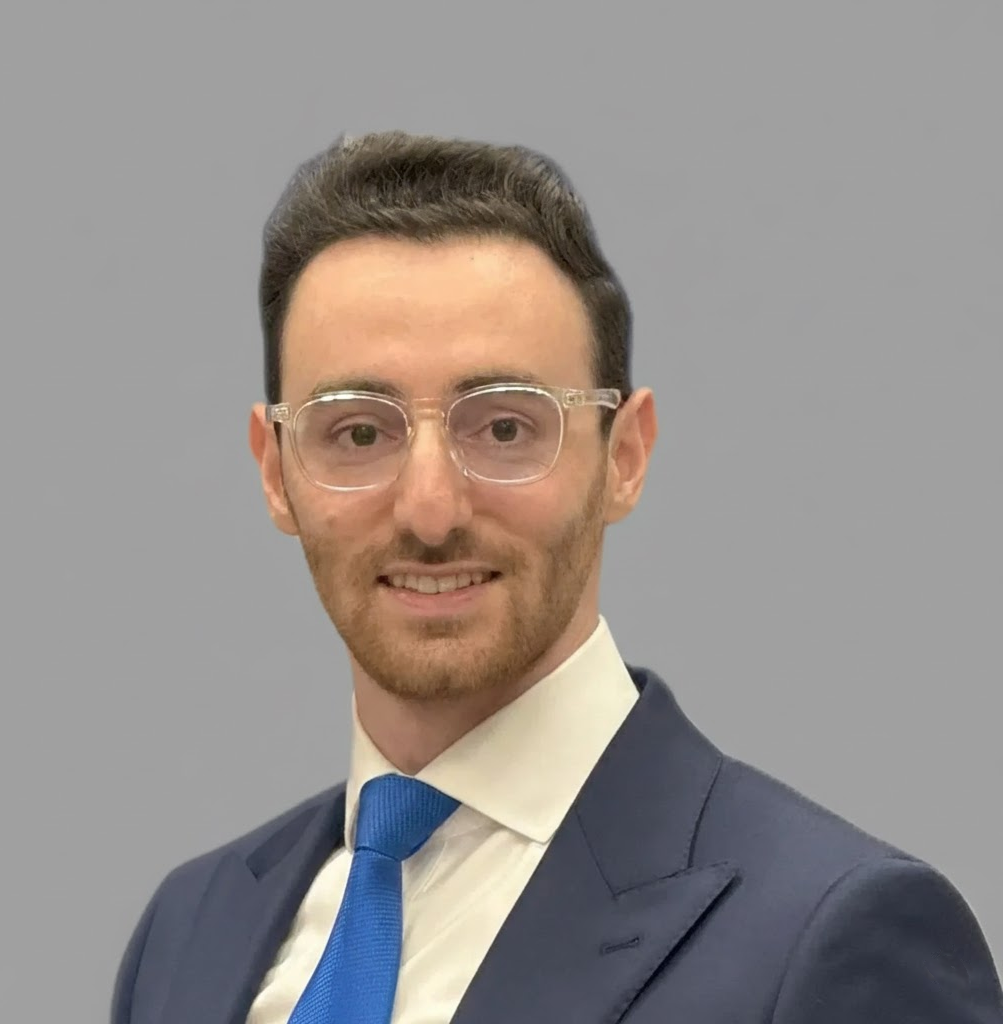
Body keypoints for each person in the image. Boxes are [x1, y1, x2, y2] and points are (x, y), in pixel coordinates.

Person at [111, 130, 1003, 1024]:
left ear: (625, 454)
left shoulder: (829, 937)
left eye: (503, 428)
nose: (430, 510)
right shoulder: (190, 936)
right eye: (358, 432)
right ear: (275, 469)